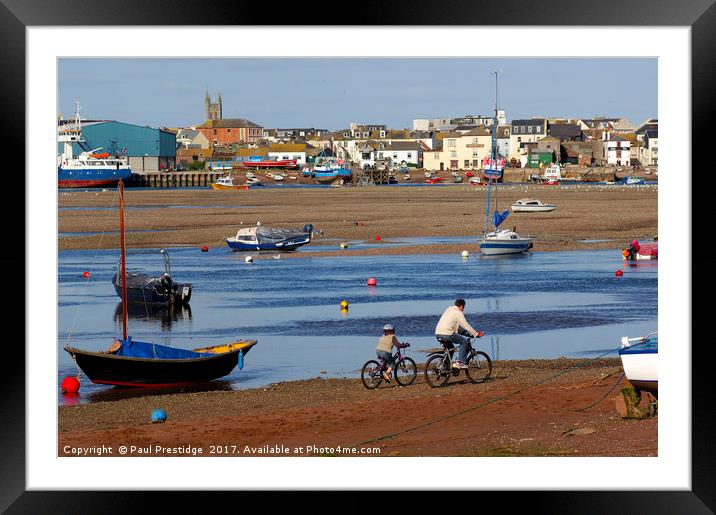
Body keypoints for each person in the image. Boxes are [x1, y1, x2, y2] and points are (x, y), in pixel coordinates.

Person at [435, 299, 484, 369]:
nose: (463, 309)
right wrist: (476, 334)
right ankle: (460, 362)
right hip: (447, 333)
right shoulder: (458, 312)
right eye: (463, 307)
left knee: (451, 349)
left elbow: (458, 329)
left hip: (437, 333)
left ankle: (443, 368)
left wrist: (468, 334)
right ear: (462, 306)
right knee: (464, 342)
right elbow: (466, 325)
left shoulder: (448, 310)